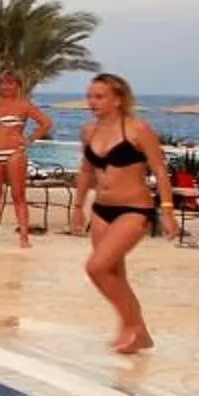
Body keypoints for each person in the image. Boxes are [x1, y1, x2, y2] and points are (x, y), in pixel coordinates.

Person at [75, 71, 176, 354]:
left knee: (96, 267)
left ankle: (135, 326)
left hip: (134, 208)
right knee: (114, 272)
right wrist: (77, 206)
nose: (92, 102)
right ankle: (134, 329)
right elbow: (86, 171)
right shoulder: (88, 132)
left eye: (99, 97)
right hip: (101, 209)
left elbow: (159, 170)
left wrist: (167, 211)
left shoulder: (137, 130)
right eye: (90, 97)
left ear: (118, 100)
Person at [0, 71, 54, 245]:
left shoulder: (24, 105)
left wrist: (29, 139)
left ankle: (24, 236)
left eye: (10, 83)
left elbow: (46, 123)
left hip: (14, 153)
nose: (6, 87)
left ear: (18, 86)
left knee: (18, 195)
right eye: (3, 83)